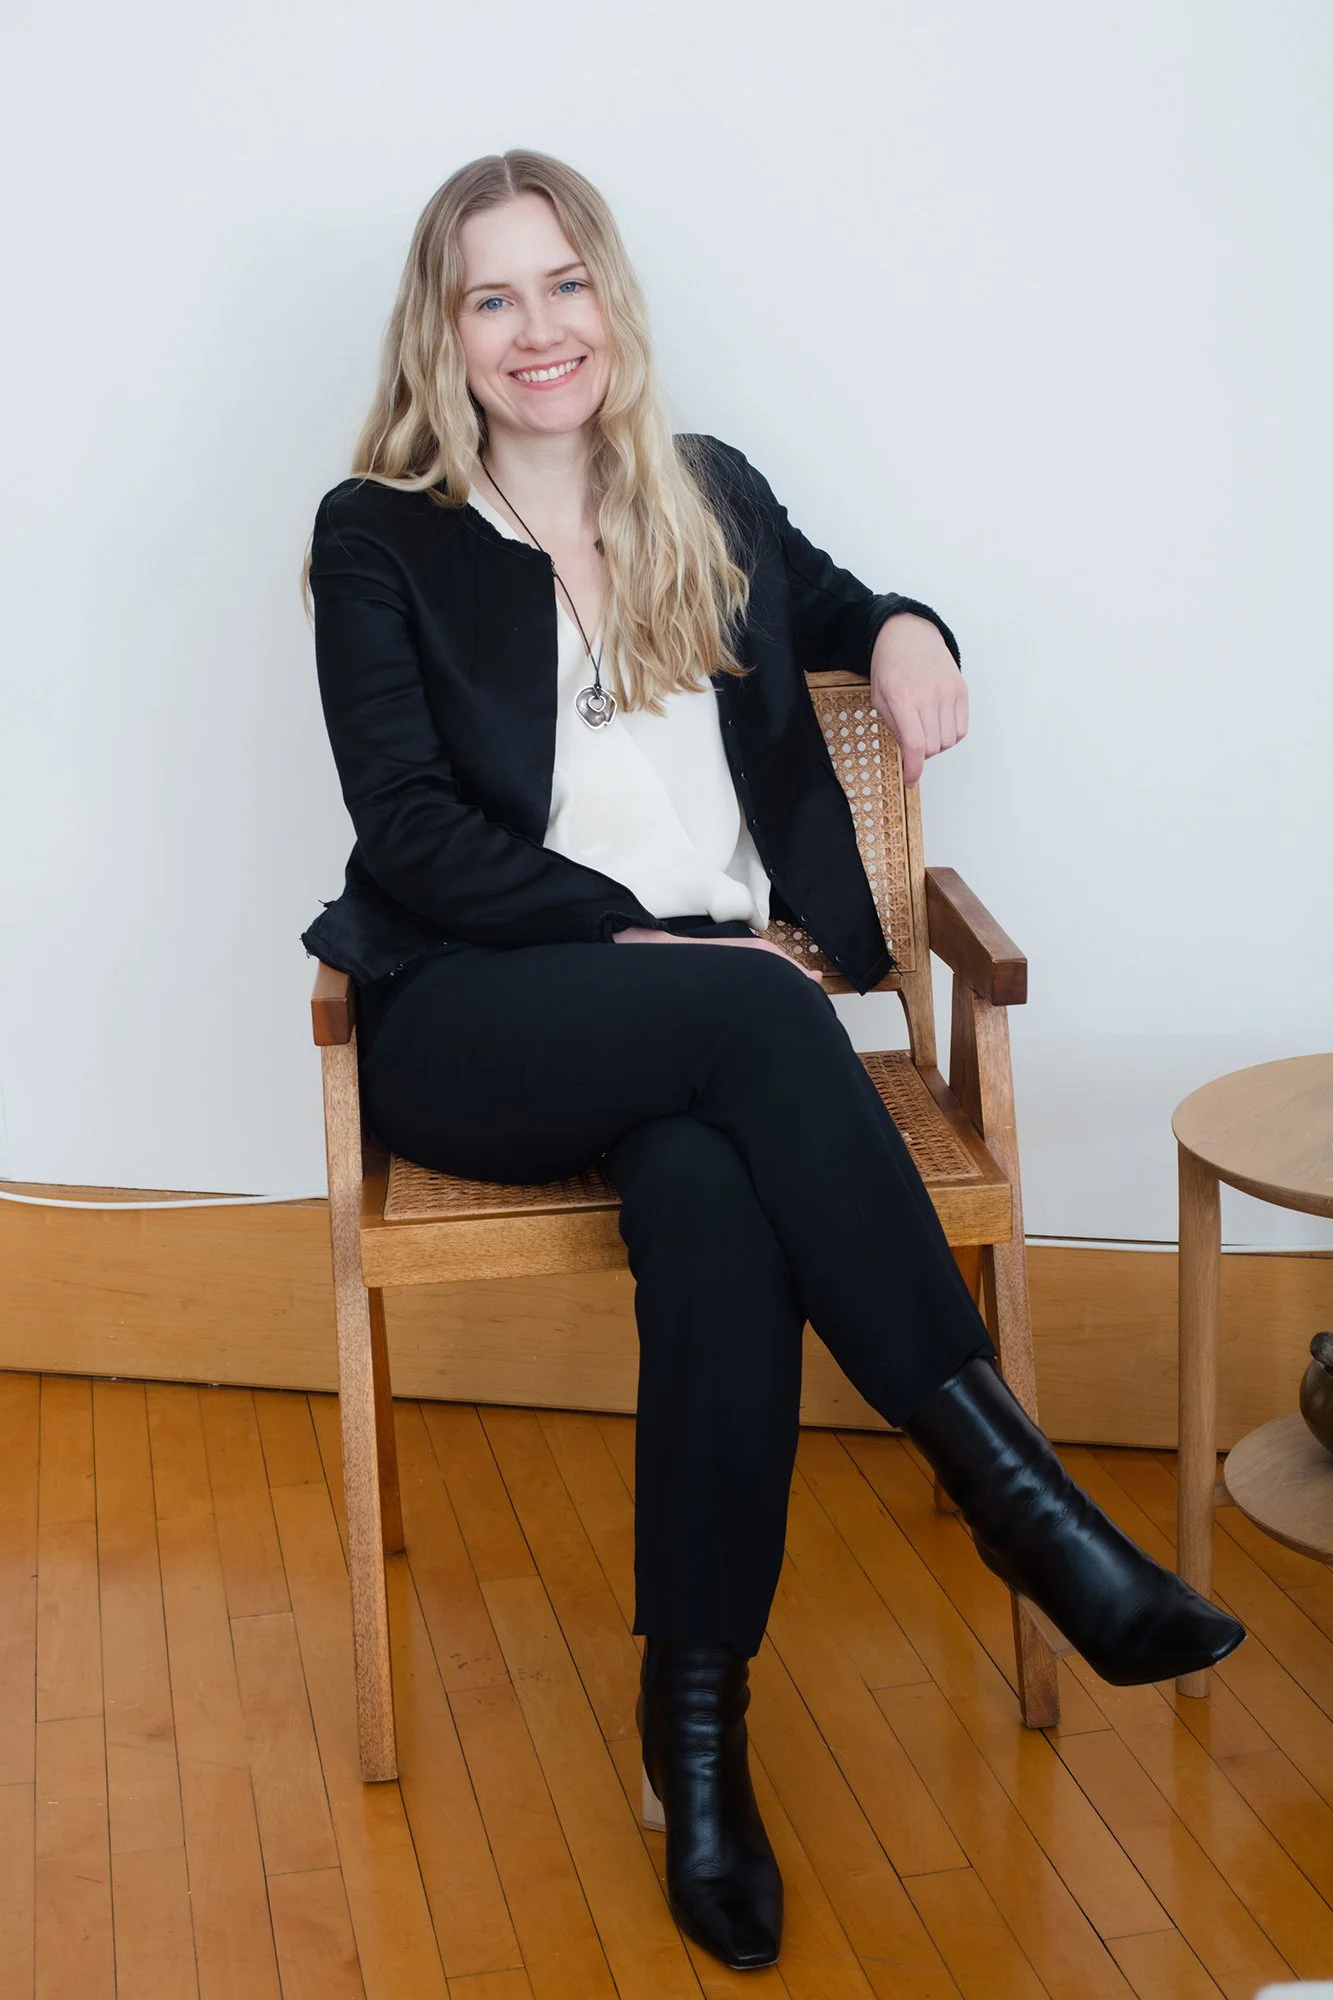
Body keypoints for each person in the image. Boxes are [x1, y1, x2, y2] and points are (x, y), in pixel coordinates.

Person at [299, 149, 1244, 1973]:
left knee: (715, 1205)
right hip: (486, 1009)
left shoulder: (702, 492)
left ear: (609, 300)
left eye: (562, 284)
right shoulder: (381, 532)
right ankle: (1023, 1505)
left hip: (706, 1046)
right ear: (446, 331)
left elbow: (841, 605)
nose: (536, 328)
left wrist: (904, 632)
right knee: (752, 1007)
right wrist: (627, 940)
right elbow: (406, 827)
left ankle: (698, 1738)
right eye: (492, 297)